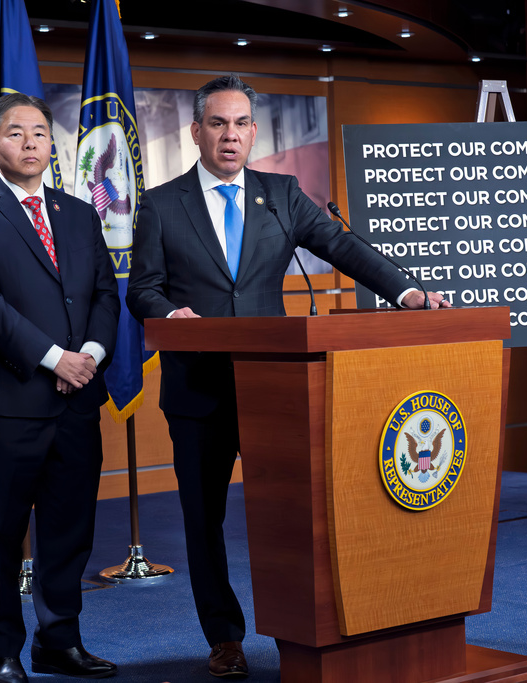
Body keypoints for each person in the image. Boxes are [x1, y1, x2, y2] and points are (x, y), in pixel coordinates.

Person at [126, 74, 449, 679]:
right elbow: (141, 287)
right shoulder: (162, 204)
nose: (230, 135)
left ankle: (303, 631)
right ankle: (223, 637)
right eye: (217, 123)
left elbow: (342, 246)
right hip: (198, 391)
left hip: (276, 388)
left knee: (291, 514)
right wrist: (171, 313)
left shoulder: (281, 195)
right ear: (196, 131)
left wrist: (405, 291)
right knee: (205, 519)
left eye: (241, 123)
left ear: (253, 131)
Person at [0, 93, 120, 683]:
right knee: (1, 534)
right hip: (11, 403)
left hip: (79, 399)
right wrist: (54, 358)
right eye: (15, 133)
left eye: (39, 133)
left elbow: (106, 292)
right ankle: (2, 653)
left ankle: (60, 642)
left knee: (69, 528)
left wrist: (91, 357)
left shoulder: (80, 212)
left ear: (54, 145)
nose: (30, 143)